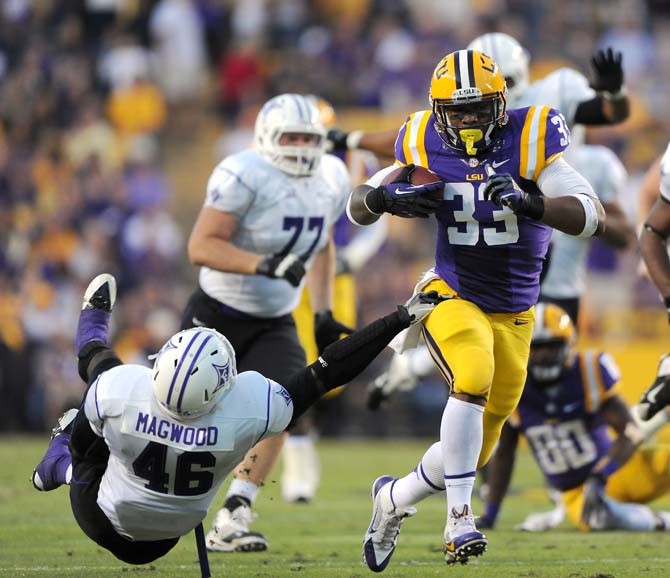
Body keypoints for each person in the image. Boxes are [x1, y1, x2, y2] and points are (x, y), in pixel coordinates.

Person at [348, 48, 606, 569]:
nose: (467, 120)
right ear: (439, 110)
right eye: (457, 110)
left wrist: (533, 203)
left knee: (475, 449)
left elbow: (590, 215)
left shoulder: (531, 136)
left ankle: (392, 499)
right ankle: (459, 519)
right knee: (472, 374)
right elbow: (357, 206)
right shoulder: (419, 137)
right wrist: (386, 199)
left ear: (501, 103)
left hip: (515, 311)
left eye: (478, 108)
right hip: (452, 290)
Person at [31, 273, 442, 565]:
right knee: (101, 405)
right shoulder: (248, 407)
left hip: (102, 518)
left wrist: (84, 443)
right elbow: (329, 369)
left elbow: (89, 447)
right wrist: (398, 320)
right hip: (171, 534)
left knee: (86, 413)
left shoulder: (122, 390)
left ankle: (57, 464)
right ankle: (61, 460)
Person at [180, 93, 351, 552]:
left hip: (275, 319)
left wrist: (323, 313)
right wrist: (263, 265)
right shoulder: (244, 172)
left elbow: (323, 246)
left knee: (284, 406)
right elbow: (201, 245)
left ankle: (235, 511)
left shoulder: (332, 176)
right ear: (265, 138)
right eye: (290, 137)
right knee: (180, 412)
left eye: (308, 138)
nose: (299, 147)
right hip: (216, 313)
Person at [478, 303, 670, 532]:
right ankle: (662, 520)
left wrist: (600, 476)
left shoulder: (588, 370)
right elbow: (504, 455)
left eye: (551, 346)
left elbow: (631, 432)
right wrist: (490, 515)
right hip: (575, 493)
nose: (544, 355)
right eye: (537, 348)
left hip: (620, 471)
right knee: (596, 519)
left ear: (568, 344)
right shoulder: (512, 388)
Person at [284, 96, 388, 504]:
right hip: (291, 279)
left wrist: (353, 257)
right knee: (294, 367)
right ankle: (298, 465)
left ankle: (307, 442)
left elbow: (377, 220)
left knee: (332, 373)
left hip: (337, 276)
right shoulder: (273, 166)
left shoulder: (357, 163)